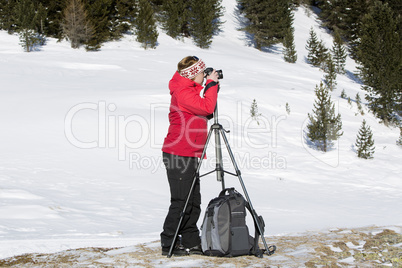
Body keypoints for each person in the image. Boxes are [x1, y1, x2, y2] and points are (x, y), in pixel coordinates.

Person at [161, 56, 220, 256]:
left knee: (193, 201)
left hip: (189, 153)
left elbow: (204, 111)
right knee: (181, 201)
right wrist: (211, 86)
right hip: (179, 153)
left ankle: (191, 241)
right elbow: (206, 107)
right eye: (203, 73)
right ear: (193, 74)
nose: (204, 77)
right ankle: (168, 243)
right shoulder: (183, 92)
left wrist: (210, 87)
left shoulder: (189, 91)